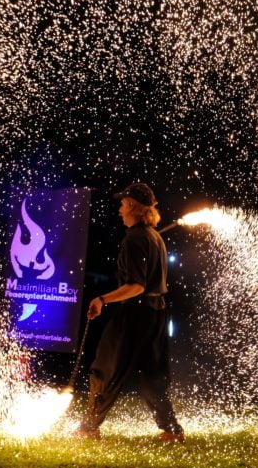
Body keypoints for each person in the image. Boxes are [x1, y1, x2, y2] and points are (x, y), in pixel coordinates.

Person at [74, 182, 184, 443]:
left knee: (105, 368)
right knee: (152, 374)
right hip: (156, 314)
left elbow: (136, 286)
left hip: (136, 314)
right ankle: (172, 431)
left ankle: (88, 428)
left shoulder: (135, 238)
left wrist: (102, 298)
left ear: (133, 207)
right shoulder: (154, 237)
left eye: (123, 204)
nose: (119, 210)